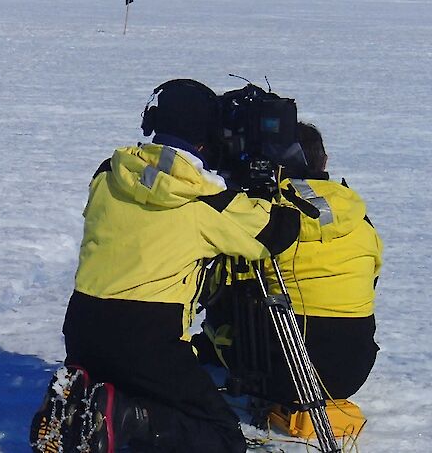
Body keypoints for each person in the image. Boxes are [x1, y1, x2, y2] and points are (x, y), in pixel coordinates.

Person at [31, 79, 301, 453]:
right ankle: (123, 416)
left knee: (147, 390)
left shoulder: (107, 174)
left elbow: (159, 178)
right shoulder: (205, 199)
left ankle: (88, 396)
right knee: (223, 439)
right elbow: (277, 233)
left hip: (81, 328)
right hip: (149, 337)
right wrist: (259, 192)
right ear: (209, 137)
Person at [200, 121, 382, 404]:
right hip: (352, 370)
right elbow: (373, 277)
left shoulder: (266, 215)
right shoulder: (358, 216)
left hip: (280, 372)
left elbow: (219, 289)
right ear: (324, 160)